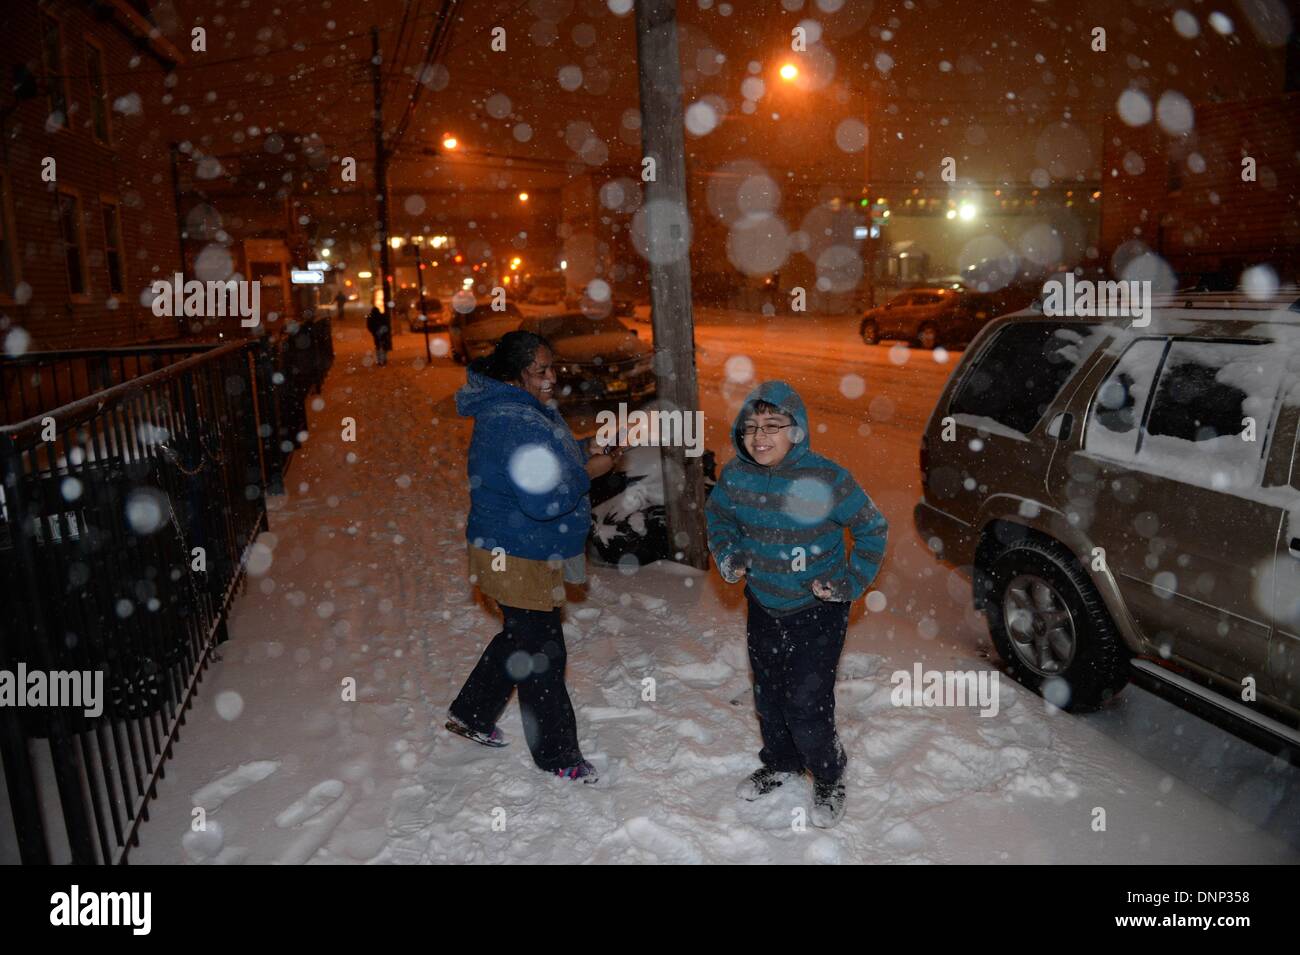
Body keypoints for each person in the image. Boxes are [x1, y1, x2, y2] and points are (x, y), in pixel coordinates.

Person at [705, 380, 888, 828]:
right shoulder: (735, 477)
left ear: (798, 431)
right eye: (749, 427)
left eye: (772, 425)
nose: (759, 436)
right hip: (764, 603)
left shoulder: (826, 478)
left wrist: (849, 581)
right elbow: (719, 517)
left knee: (807, 701)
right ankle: (782, 762)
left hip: (817, 610)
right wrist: (729, 555)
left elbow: (872, 528)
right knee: (768, 693)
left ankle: (827, 772)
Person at [447, 330, 621, 783]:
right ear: (514, 373)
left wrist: (584, 449)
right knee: (543, 654)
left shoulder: (522, 410)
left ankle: (472, 713)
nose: (551, 378)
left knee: (520, 637)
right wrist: (589, 473)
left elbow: (547, 462)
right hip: (518, 553)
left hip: (514, 548)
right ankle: (558, 757)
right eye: (540, 370)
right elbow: (542, 501)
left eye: (552, 367)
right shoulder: (514, 422)